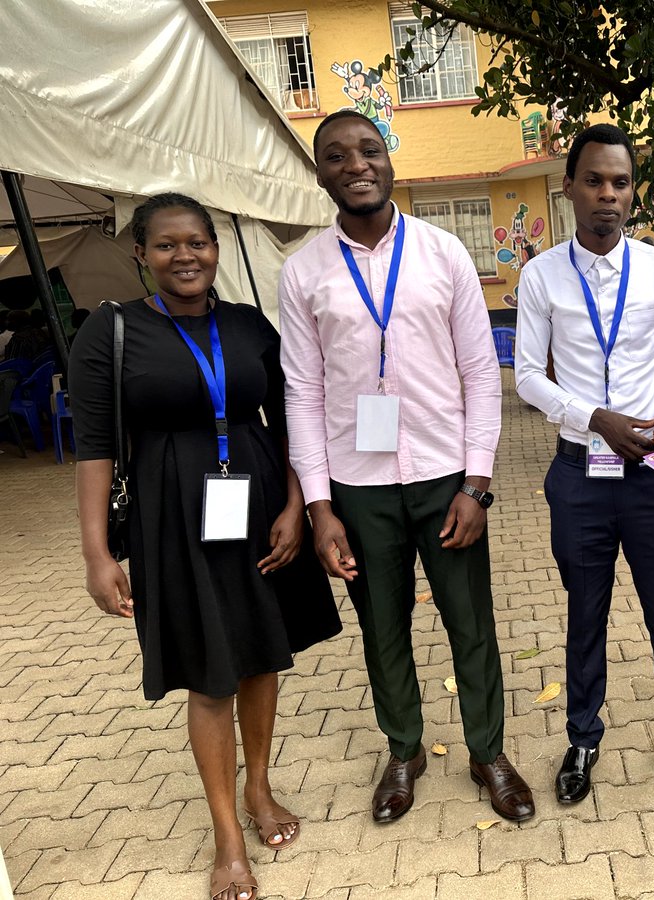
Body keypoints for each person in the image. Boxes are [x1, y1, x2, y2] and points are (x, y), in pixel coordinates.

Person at [71, 193, 342, 900]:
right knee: (210, 671)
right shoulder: (111, 331)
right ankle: (226, 835)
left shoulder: (248, 324)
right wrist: (97, 554)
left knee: (260, 654)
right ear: (141, 254)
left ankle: (260, 789)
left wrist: (295, 507)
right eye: (167, 245)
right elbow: (95, 446)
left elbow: (290, 417)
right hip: (173, 520)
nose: (185, 256)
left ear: (216, 248)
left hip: (259, 509)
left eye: (197, 242)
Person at [278, 110, 535, 825]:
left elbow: (480, 372)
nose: (356, 165)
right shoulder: (303, 271)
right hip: (358, 487)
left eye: (368, 150)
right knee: (382, 627)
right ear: (321, 173)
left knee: (470, 624)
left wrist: (478, 484)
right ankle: (404, 750)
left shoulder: (443, 252)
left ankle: (487, 752)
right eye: (337, 155)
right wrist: (320, 506)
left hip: (445, 477)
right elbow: (301, 391)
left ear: (389, 159)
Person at [515, 123, 654, 805]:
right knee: (586, 613)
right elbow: (527, 376)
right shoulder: (542, 275)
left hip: (653, 473)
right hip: (579, 474)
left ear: (633, 192)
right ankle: (582, 738)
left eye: (621, 182)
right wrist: (592, 417)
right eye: (595, 180)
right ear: (569, 187)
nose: (608, 193)